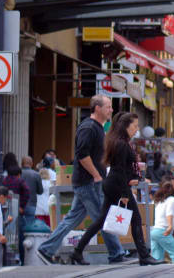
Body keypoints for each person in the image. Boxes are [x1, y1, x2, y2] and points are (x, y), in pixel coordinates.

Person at [37, 95, 126, 264]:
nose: (111, 110)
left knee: (73, 219)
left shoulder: (98, 127)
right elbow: (82, 155)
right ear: (97, 108)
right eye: (108, 106)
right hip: (88, 183)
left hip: (88, 182)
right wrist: (97, 175)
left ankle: (46, 249)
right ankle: (116, 253)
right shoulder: (88, 128)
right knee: (102, 216)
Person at [69, 112, 162, 266]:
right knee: (136, 219)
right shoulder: (121, 144)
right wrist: (125, 193)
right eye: (134, 126)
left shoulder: (120, 142)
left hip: (114, 185)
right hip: (118, 186)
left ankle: (77, 252)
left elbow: (122, 169)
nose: (137, 129)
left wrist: (133, 178)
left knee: (100, 221)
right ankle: (144, 256)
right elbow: (119, 170)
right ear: (126, 126)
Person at [19, 156, 44, 255]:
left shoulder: (18, 174)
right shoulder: (36, 174)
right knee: (29, 230)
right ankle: (27, 254)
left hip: (19, 205)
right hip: (31, 204)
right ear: (32, 163)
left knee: (19, 230)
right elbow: (40, 191)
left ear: (21, 163)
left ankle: (19, 253)